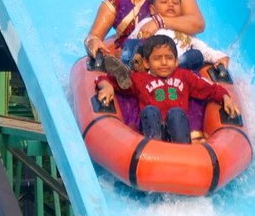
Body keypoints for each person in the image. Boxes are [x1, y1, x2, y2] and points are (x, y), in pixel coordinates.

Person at [96, 35, 239, 144]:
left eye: (169, 58)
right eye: (157, 58)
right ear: (146, 63)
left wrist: (225, 97)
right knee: (150, 110)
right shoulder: (140, 78)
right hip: (151, 130)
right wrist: (107, 87)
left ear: (176, 61)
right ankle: (153, 146)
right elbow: (108, 80)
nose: (164, 62)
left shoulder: (185, 76)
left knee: (176, 113)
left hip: (177, 129)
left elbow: (210, 89)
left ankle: (183, 151)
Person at [128, 0, 228, 71]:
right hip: (149, 67)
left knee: (196, 55)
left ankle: (174, 68)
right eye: (164, 2)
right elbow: (133, 40)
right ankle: (126, 68)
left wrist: (219, 57)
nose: (171, 4)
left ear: (180, 9)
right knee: (132, 44)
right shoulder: (148, 23)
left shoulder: (184, 32)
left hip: (175, 68)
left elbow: (203, 49)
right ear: (152, 10)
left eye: (175, 3)